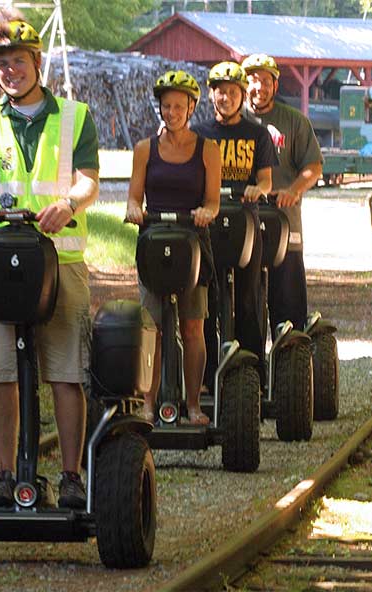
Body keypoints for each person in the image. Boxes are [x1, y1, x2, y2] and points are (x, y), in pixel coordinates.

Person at [0, 7, 99, 510]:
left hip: (61, 261)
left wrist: (70, 203)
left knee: (66, 370)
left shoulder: (75, 117)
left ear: (37, 62)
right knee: (0, 372)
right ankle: (6, 474)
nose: (9, 71)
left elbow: (87, 179)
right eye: (1, 64)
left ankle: (73, 476)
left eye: (17, 61)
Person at [125, 70, 221, 425]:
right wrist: (135, 210)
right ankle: (149, 403)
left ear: (191, 107)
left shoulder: (207, 150)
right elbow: (134, 198)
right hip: (154, 241)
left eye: (179, 106)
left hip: (192, 243)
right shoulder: (145, 149)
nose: (172, 112)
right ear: (160, 108)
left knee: (192, 326)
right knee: (152, 326)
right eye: (167, 106)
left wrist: (205, 213)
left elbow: (212, 202)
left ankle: (193, 404)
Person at [192, 61, 278, 388]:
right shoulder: (199, 134)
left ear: (241, 95)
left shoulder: (256, 133)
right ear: (211, 95)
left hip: (245, 219)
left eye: (232, 92)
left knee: (250, 297)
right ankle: (210, 374)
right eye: (220, 92)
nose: (225, 98)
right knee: (208, 298)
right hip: (208, 221)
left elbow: (267, 180)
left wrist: (259, 189)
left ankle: (253, 372)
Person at [241, 53, 323, 333]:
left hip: (284, 219)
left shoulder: (294, 121)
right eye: (253, 80)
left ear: (275, 86)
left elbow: (313, 166)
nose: (259, 87)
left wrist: (293, 190)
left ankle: (290, 362)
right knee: (242, 306)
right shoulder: (232, 121)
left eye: (265, 81)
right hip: (241, 222)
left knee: (288, 308)